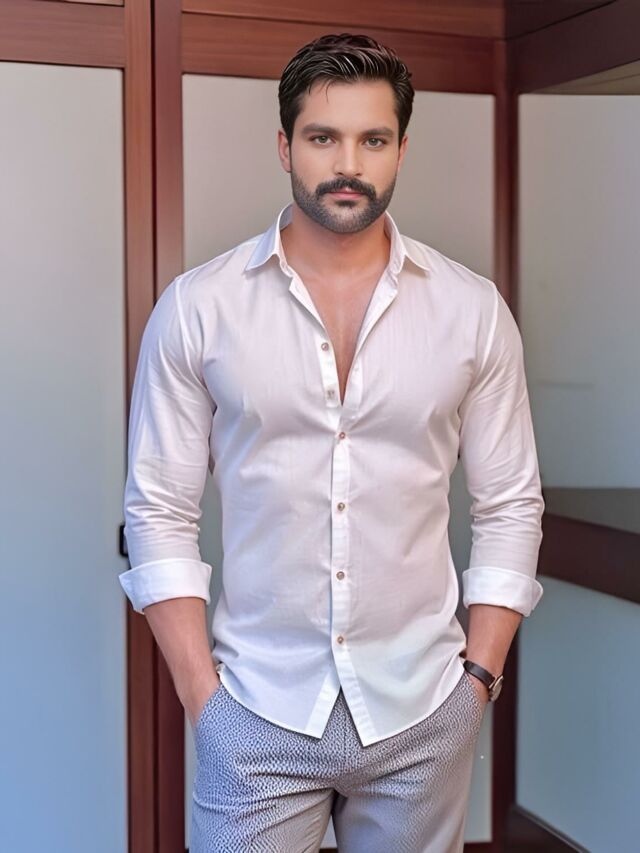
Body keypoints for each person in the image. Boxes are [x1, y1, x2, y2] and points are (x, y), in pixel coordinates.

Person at [119, 32, 545, 853]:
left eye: (373, 140)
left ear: (401, 150)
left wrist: (476, 684)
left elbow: (510, 503)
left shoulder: (472, 310)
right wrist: (206, 701)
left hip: (425, 708)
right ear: (285, 146)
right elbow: (158, 509)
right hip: (257, 709)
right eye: (323, 137)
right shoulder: (199, 308)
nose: (348, 163)